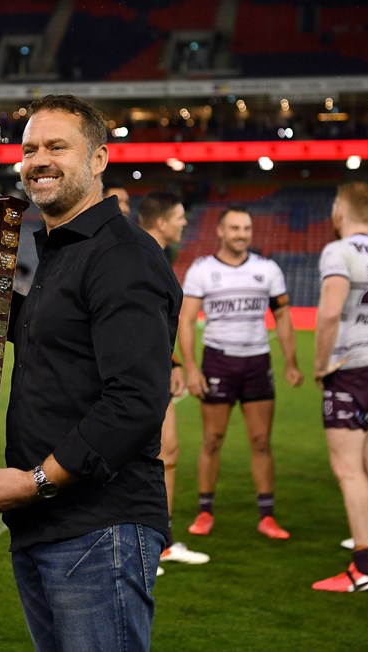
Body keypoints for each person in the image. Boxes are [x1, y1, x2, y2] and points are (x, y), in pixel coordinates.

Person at [0, 94, 182, 651]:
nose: (38, 160)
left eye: (58, 146)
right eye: (30, 148)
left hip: (99, 527)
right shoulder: (68, 250)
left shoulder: (122, 255)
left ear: (100, 160)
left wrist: (34, 482)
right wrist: (7, 316)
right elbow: (69, 339)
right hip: (52, 527)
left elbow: (133, 401)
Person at [179, 206, 304, 540]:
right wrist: (191, 367)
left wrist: (291, 361)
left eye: (246, 228)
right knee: (212, 439)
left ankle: (267, 516)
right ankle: (205, 511)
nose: (241, 234)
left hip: (257, 363)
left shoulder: (267, 269)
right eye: (234, 228)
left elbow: (283, 317)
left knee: (261, 441)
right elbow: (187, 321)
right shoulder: (202, 270)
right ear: (220, 231)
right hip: (218, 362)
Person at [311, 182, 368, 592]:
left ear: (340, 210)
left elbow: (328, 315)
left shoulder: (339, 251)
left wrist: (321, 364)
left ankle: (364, 568)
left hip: (352, 367)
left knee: (349, 468)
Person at [137, 192, 210, 572]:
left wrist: (175, 362)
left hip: (156, 371)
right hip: (138, 377)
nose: (185, 223)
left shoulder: (157, 255)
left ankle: (159, 540)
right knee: (152, 454)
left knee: (168, 452)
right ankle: (146, 543)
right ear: (161, 221)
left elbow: (159, 320)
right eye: (179, 217)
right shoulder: (139, 255)